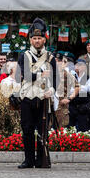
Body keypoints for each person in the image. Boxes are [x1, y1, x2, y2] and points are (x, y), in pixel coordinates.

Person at [17, 18, 57, 168]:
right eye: (34, 38)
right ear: (30, 40)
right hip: (28, 97)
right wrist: (41, 75)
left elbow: (55, 79)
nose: (37, 40)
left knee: (43, 130)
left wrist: (51, 90)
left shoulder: (50, 57)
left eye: (39, 38)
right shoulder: (24, 56)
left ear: (44, 39)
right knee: (27, 130)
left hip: (43, 98)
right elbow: (25, 75)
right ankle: (28, 160)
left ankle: (42, 159)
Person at [54, 52, 78, 129]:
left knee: (62, 131)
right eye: (56, 60)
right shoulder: (47, 73)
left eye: (60, 61)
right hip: (48, 107)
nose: (58, 63)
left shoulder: (66, 74)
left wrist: (69, 98)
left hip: (61, 107)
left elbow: (77, 87)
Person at [68, 58, 90, 132]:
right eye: (76, 65)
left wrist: (76, 88)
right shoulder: (71, 76)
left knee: (83, 129)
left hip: (83, 107)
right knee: (70, 129)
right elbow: (69, 89)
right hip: (72, 107)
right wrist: (80, 88)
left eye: (80, 65)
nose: (77, 66)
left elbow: (88, 89)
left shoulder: (89, 78)